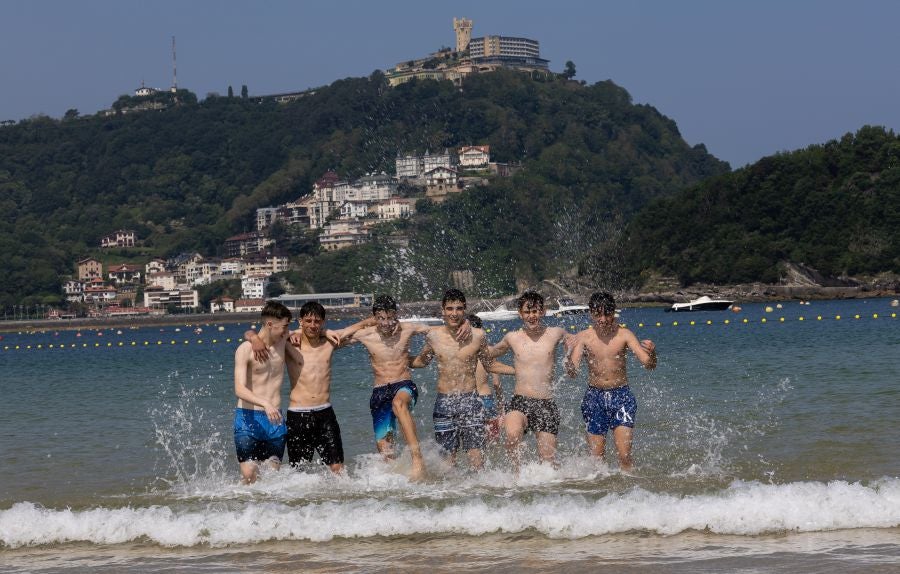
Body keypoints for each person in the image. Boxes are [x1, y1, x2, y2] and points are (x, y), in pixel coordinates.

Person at [338, 294, 470, 481]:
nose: (386, 323)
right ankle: (397, 481)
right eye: (381, 319)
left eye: (390, 318)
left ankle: (418, 460)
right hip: (379, 391)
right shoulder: (366, 335)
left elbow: (439, 329)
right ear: (375, 318)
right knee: (385, 448)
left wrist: (465, 323)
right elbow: (337, 338)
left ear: (396, 315)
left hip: (404, 385)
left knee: (399, 404)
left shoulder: (407, 329)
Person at [245, 302, 373, 475]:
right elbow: (259, 332)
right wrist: (253, 338)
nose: (313, 325)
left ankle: (339, 502)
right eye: (309, 320)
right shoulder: (289, 343)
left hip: (325, 414)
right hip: (298, 415)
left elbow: (356, 328)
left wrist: (375, 319)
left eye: (317, 321)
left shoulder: (330, 342)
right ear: (301, 322)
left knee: (338, 469)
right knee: (299, 472)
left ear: (323, 322)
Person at [410, 289, 507, 471]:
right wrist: (399, 360)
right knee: (447, 458)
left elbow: (490, 364)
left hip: (470, 399)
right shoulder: (433, 336)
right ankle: (451, 496)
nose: (454, 313)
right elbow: (421, 361)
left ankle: (478, 494)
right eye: (450, 308)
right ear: (442, 310)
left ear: (465, 310)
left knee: (476, 456)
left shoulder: (478, 335)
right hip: (444, 401)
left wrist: (519, 370)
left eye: (459, 308)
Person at [565, 291, 657, 472]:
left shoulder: (625, 335)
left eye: (607, 314)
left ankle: (630, 493)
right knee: (597, 460)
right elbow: (572, 372)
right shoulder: (583, 337)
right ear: (591, 314)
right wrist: (567, 356)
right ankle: (604, 497)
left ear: (613, 312)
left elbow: (648, 364)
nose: (603, 319)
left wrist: (653, 354)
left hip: (621, 396)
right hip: (594, 398)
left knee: (624, 456)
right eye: (598, 314)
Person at [484, 291, 570, 469]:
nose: (532, 316)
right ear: (520, 314)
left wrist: (573, 361)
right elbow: (488, 355)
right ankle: (517, 477)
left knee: (548, 463)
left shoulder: (556, 333)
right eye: (528, 312)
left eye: (536, 311)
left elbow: (578, 342)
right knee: (513, 433)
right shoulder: (512, 337)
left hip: (546, 403)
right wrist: (511, 370)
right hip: (520, 401)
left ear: (543, 311)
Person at [233, 301, 303, 484]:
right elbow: (239, 389)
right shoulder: (245, 349)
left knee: (271, 478)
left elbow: (310, 331)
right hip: (248, 418)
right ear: (270, 324)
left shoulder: (282, 341)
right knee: (249, 475)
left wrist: (252, 334)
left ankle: (267, 513)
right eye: (285, 326)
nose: (287, 330)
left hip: (275, 420)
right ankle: (240, 507)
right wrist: (265, 403)